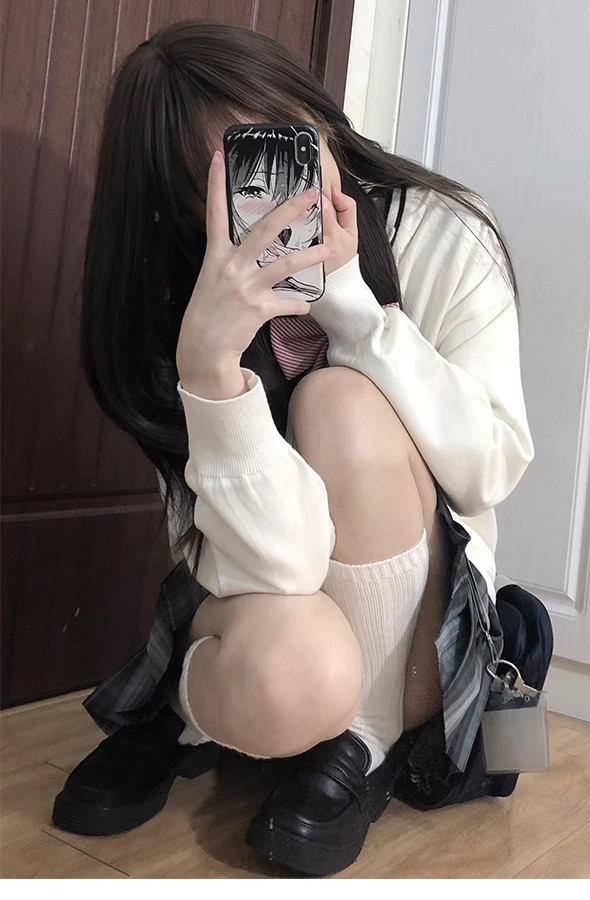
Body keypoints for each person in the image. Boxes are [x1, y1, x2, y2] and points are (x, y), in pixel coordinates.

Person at [51, 19, 543, 876]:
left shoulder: (440, 230)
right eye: (234, 181)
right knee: (295, 675)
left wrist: (350, 308)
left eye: (282, 150)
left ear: (320, 120)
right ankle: (195, 712)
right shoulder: (183, 298)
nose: (277, 202)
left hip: (422, 625)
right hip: (268, 602)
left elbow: (489, 467)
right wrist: (211, 369)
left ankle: (363, 742)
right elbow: (264, 567)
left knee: (339, 401)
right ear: (181, 202)